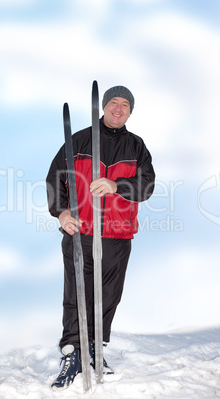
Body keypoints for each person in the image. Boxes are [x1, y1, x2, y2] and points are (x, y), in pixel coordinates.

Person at [46, 85, 155, 389]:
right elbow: (56, 178)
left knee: (108, 296)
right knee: (76, 294)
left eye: (125, 105)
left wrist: (116, 184)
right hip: (80, 231)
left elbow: (146, 186)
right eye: (113, 103)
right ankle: (71, 350)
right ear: (103, 107)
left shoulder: (136, 146)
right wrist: (62, 213)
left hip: (117, 235)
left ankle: (94, 346)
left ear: (130, 111)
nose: (118, 109)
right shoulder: (78, 140)